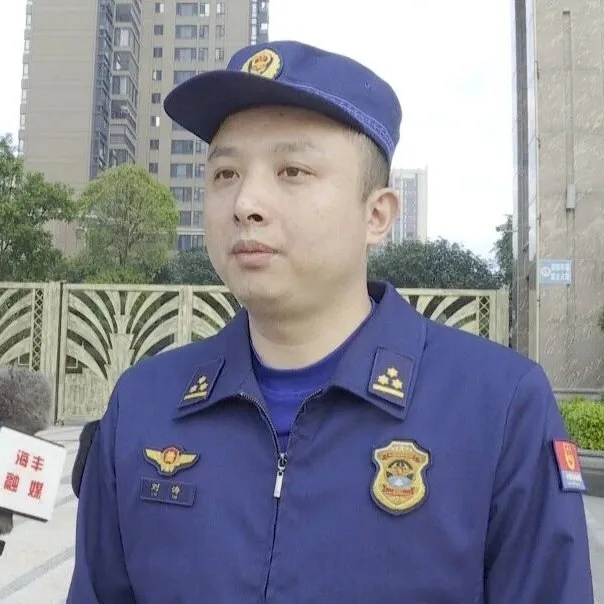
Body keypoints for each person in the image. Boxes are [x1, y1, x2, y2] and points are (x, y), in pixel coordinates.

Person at [66, 40, 594, 603]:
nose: (246, 202)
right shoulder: (143, 405)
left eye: (292, 170)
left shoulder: (498, 407)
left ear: (377, 215)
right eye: (225, 173)